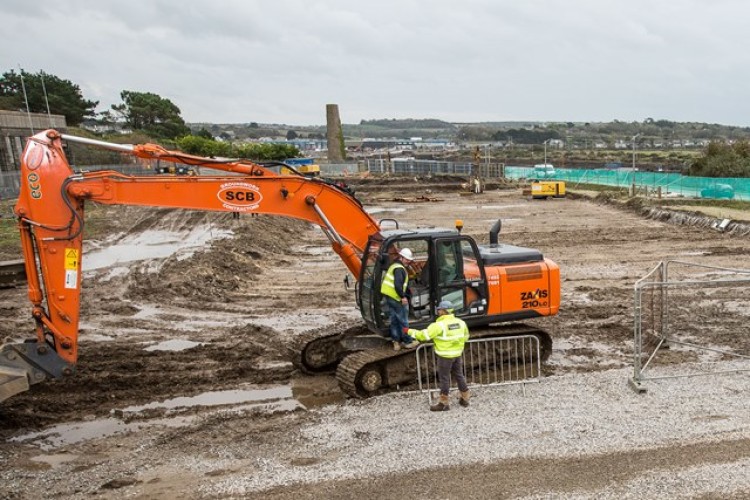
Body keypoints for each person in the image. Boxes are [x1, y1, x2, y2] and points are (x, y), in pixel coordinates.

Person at [406, 300, 470, 411]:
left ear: (443, 311)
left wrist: (408, 331)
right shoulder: (461, 323)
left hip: (445, 356)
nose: (438, 311)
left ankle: (444, 403)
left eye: (439, 309)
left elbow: (422, 336)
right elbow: (465, 337)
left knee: (444, 379)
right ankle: (465, 399)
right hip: (457, 354)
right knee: (459, 375)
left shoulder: (438, 325)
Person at [380, 247, 419, 351]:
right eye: (407, 259)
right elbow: (398, 285)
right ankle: (408, 341)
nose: (408, 261)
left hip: (390, 296)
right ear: (401, 257)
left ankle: (396, 342)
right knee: (403, 320)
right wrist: (403, 297)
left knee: (394, 319)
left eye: (409, 260)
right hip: (396, 297)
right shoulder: (399, 269)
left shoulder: (393, 266)